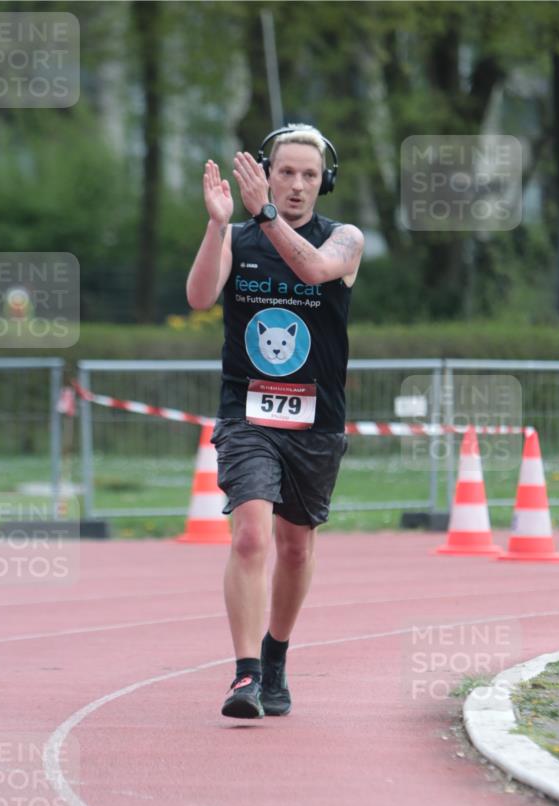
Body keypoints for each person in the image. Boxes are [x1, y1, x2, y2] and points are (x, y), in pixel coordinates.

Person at [186, 124, 364, 719]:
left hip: (316, 420)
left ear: (325, 182)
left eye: (309, 175)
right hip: (248, 412)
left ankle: (277, 656)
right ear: (266, 172)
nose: (296, 184)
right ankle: (244, 676)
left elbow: (313, 270)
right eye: (285, 172)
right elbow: (199, 296)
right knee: (252, 534)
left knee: (294, 548)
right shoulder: (240, 235)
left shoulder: (344, 239)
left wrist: (264, 215)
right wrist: (218, 226)